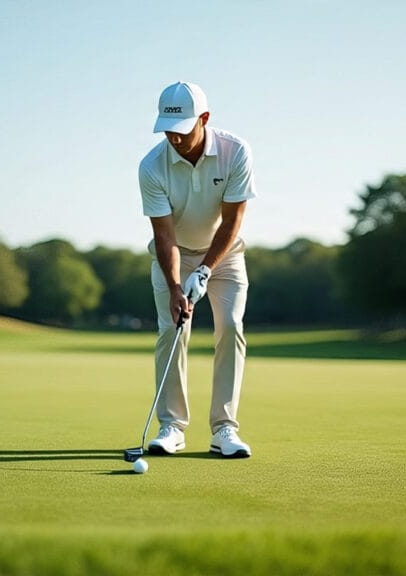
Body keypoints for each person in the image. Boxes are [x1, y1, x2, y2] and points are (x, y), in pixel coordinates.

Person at [138, 81, 256, 458]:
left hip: (225, 256)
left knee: (231, 327)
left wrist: (204, 270)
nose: (174, 138)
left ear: (204, 119)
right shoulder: (152, 166)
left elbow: (231, 222)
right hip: (173, 255)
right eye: (168, 130)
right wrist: (176, 287)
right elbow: (164, 236)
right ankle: (171, 425)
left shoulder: (235, 152)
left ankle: (224, 429)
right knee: (171, 331)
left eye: (183, 129)